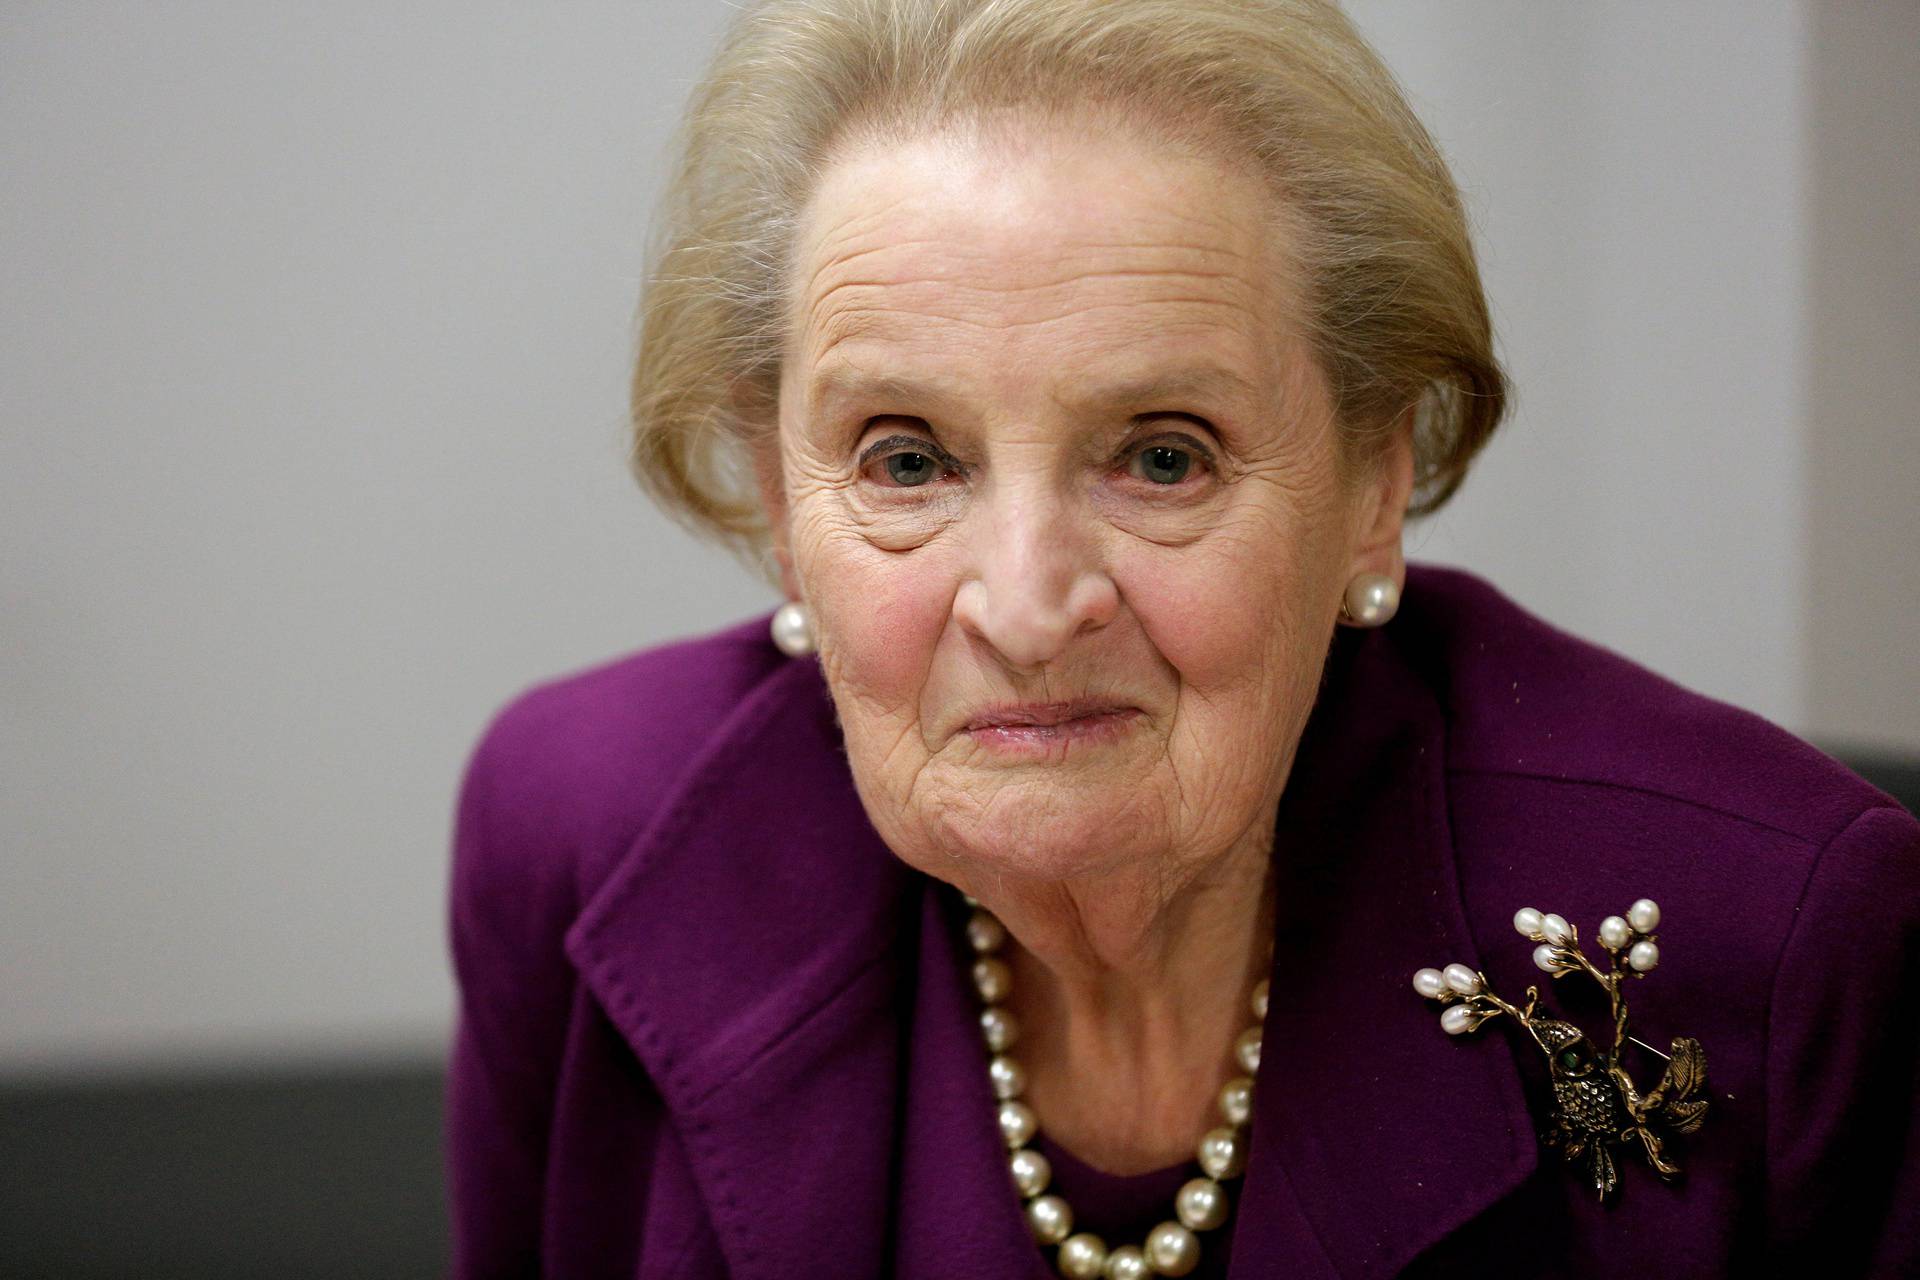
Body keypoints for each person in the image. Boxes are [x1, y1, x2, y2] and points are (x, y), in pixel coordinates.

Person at [442, 1, 1920, 1275]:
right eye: (907, 460)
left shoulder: (1778, 942)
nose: (1026, 607)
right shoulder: (577, 827)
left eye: (1162, 457)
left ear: (1373, 483)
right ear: (779, 495)